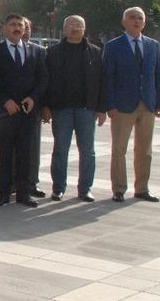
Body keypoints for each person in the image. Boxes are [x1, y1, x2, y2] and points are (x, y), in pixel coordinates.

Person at [0, 14, 48, 208]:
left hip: (28, 112)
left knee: (25, 153)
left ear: (25, 29)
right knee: (5, 153)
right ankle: (3, 193)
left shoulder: (36, 51)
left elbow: (43, 78)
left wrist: (33, 98)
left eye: (20, 25)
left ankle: (23, 194)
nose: (17, 28)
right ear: (5, 28)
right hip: (5, 112)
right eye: (12, 24)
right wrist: (5, 101)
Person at [104, 7, 160, 203]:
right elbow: (108, 78)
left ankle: (142, 189)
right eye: (132, 17)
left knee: (145, 150)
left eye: (140, 18)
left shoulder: (153, 45)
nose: (136, 21)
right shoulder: (113, 46)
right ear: (124, 22)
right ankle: (119, 189)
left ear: (144, 23)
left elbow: (158, 76)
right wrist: (110, 104)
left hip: (148, 104)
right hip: (122, 106)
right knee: (119, 149)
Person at [42, 15, 106, 203]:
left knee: (87, 151)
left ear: (84, 29)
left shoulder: (95, 52)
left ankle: (85, 189)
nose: (75, 28)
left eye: (79, 25)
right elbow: (45, 81)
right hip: (61, 109)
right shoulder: (52, 52)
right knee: (60, 150)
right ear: (64, 29)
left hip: (86, 109)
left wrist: (101, 109)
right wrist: (45, 106)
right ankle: (58, 188)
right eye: (71, 25)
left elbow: (102, 82)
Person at [20, 16, 45, 198]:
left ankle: (31, 183)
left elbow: (44, 79)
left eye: (27, 27)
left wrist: (37, 100)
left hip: (33, 107)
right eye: (22, 27)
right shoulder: (3, 50)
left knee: (32, 148)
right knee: (12, 148)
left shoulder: (39, 51)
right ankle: (13, 183)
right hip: (11, 108)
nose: (24, 30)